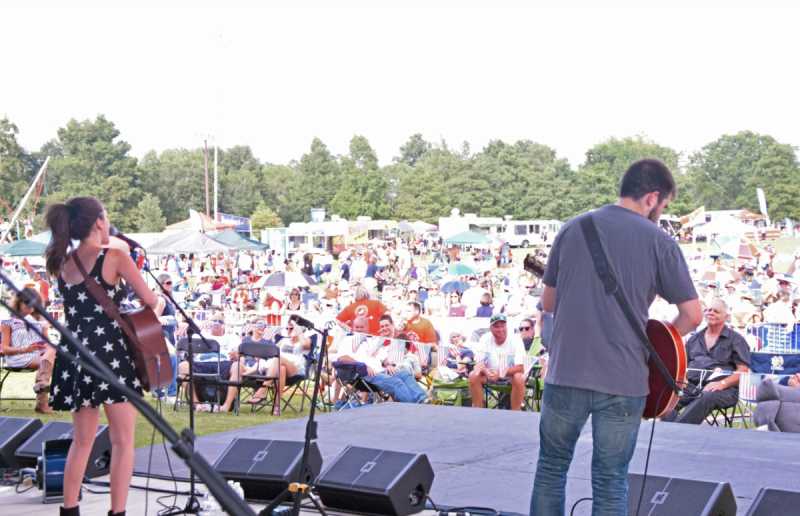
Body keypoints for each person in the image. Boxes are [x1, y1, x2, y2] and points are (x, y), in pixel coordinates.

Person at [531, 159, 703, 515]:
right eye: (665, 206)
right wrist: (660, 343)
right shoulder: (660, 242)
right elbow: (692, 315)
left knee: (551, 470)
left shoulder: (573, 228)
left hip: (566, 373)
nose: (661, 214)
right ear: (653, 197)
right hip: (624, 380)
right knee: (610, 481)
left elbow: (548, 302)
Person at [43, 196, 160, 516]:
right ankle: (117, 512)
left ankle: (69, 510)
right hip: (110, 355)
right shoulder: (117, 257)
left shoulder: (65, 261)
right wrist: (159, 305)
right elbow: (150, 302)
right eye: (106, 218)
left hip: (74, 355)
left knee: (81, 441)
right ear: (98, 222)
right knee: (122, 440)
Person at [662, 299, 750, 424]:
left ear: (725, 317)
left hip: (723, 390)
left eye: (716, 311)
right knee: (669, 395)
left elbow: (743, 370)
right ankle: (669, 432)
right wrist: (682, 378)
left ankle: (675, 432)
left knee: (706, 396)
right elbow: (682, 364)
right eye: (709, 310)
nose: (711, 313)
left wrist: (722, 383)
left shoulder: (736, 340)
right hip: (692, 386)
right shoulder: (694, 338)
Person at [337, 318, 435, 404]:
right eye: (356, 327)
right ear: (353, 328)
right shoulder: (348, 340)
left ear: (367, 328)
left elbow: (384, 357)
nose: (359, 329)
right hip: (362, 374)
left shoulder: (373, 341)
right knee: (396, 382)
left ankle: (424, 399)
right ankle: (417, 406)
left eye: (361, 327)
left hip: (380, 371)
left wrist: (388, 364)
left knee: (405, 373)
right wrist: (364, 365)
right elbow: (342, 358)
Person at [1, 291, 57, 413]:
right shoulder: (8, 322)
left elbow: (47, 343)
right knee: (48, 362)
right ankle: (42, 403)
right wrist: (24, 349)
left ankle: (42, 383)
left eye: (34, 306)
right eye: (28, 306)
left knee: (52, 348)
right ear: (19, 303)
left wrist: (42, 344)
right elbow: (5, 349)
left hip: (38, 356)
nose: (31, 309)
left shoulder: (39, 322)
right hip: (17, 356)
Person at [246, 314, 312, 415]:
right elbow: (270, 352)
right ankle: (277, 407)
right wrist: (257, 355)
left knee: (278, 359)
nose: (288, 330)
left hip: (297, 370)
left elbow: (304, 345)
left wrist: (296, 326)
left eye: (291, 328)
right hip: (279, 369)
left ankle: (262, 390)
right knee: (281, 368)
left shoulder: (307, 340)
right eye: (287, 328)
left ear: (299, 328)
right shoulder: (283, 340)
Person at [469, 314, 527, 410]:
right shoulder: (484, 338)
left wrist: (499, 373)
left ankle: (515, 413)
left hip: (510, 378)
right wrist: (487, 372)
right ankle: (478, 411)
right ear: (490, 328)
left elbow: (521, 367)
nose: (500, 329)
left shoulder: (516, 340)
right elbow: (478, 364)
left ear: (506, 326)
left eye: (502, 326)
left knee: (519, 377)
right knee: (473, 375)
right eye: (496, 327)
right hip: (490, 376)